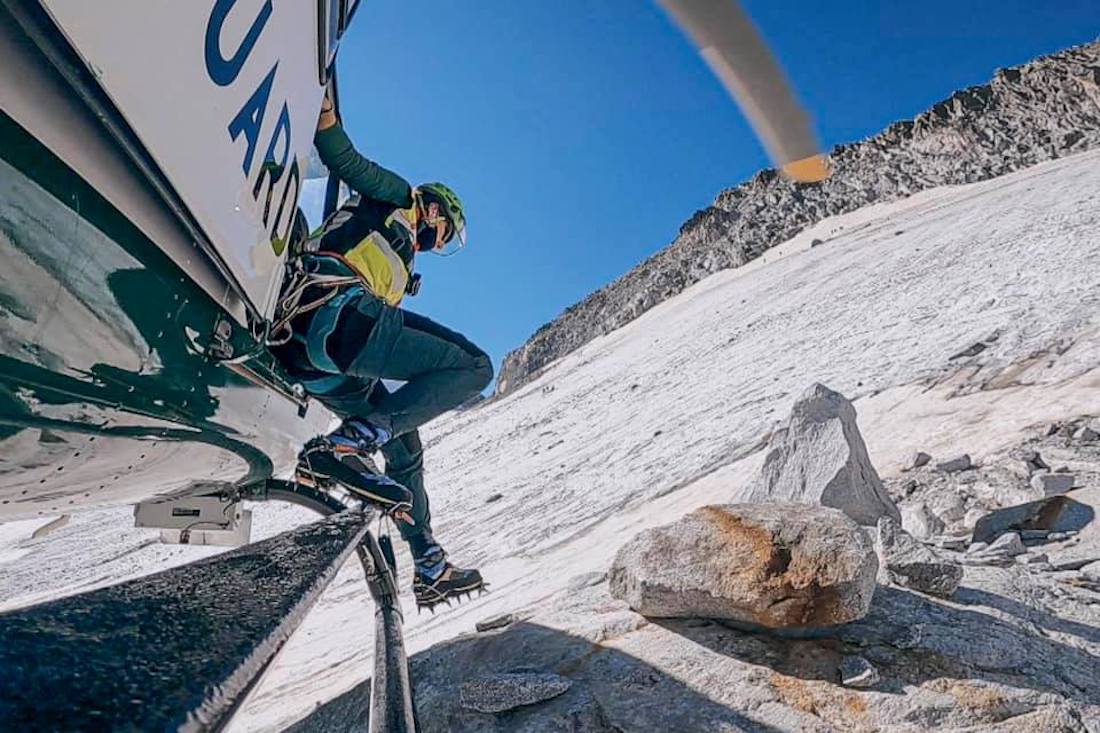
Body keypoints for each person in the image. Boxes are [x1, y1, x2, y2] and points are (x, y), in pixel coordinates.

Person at [271, 94, 493, 609]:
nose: (438, 243)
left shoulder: (400, 260)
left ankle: (430, 564)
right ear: (435, 209)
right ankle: (344, 447)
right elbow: (346, 161)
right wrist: (326, 119)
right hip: (335, 317)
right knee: (473, 366)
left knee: (406, 446)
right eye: (445, 233)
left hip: (313, 356)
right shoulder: (397, 199)